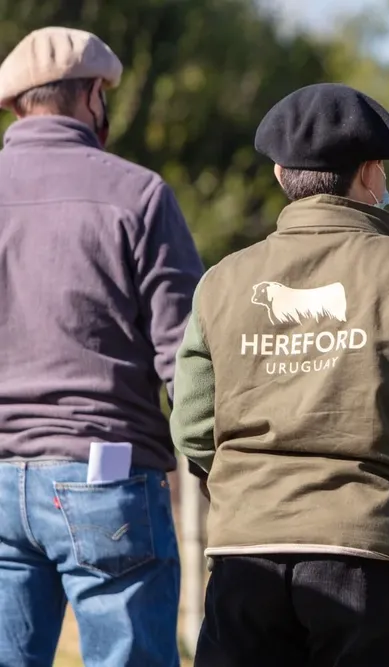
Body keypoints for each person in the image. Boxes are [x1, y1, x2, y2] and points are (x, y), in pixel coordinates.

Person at [170, 82, 389, 667]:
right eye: (381, 170)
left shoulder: (221, 281)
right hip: (370, 555)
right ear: (369, 174)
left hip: (244, 558)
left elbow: (192, 429)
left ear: (279, 174)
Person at [0, 27, 204, 667]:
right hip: (106, 474)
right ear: (93, 96)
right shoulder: (138, 194)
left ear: (17, 105)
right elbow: (185, 353)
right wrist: (218, 461)